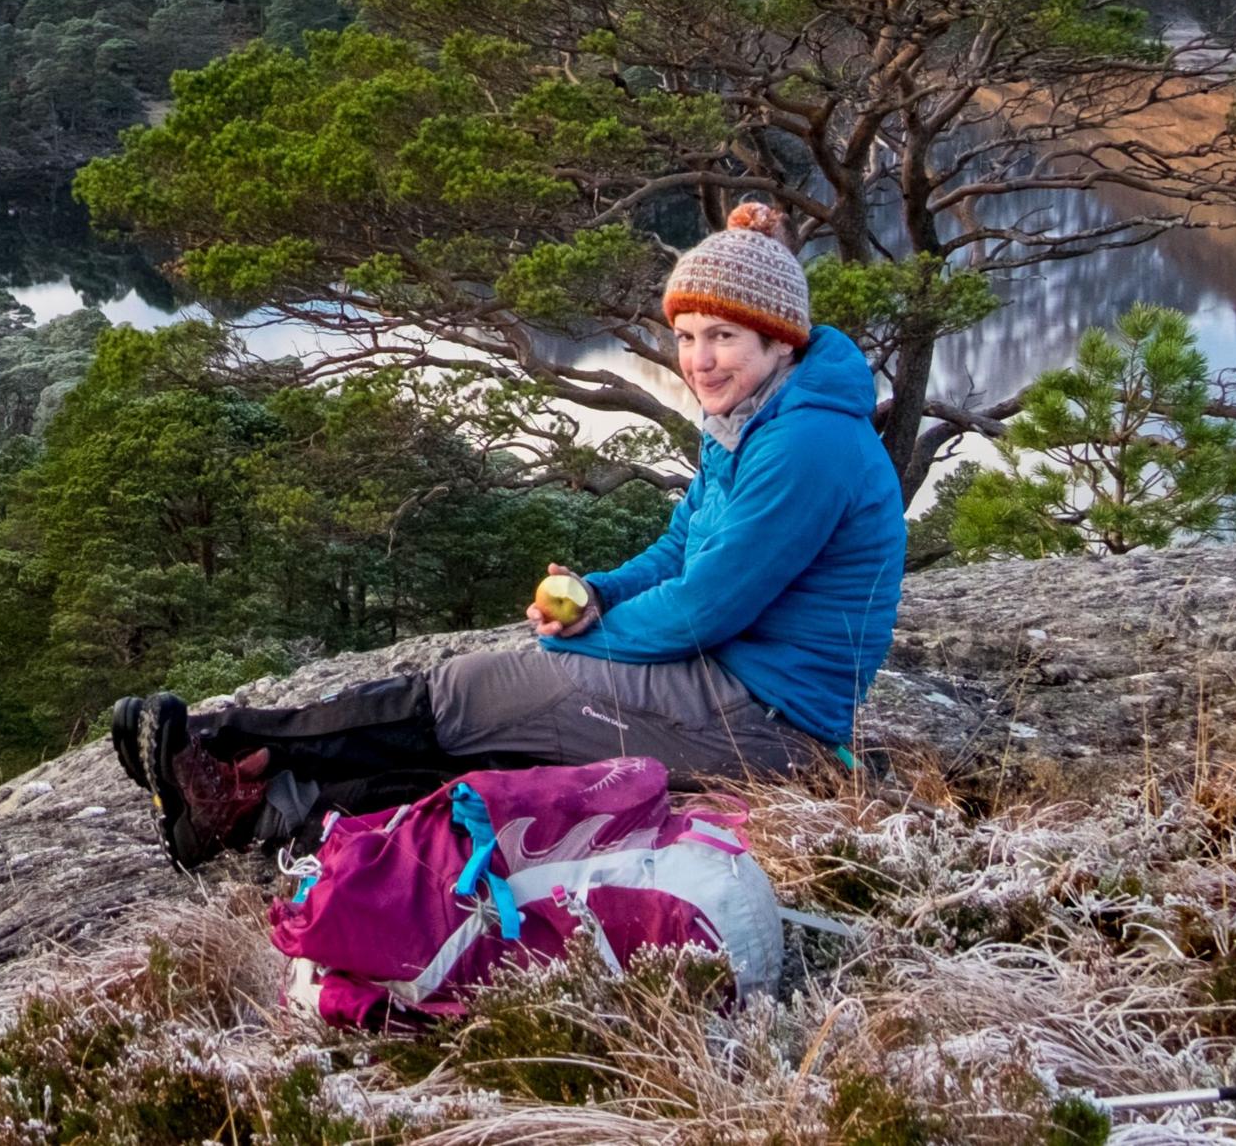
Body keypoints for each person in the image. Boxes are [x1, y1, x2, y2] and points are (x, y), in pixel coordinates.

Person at [107, 202, 907, 863]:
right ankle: (253, 805)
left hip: (764, 720)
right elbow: (678, 548)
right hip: (726, 685)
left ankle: (216, 748)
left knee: (478, 692)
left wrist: (577, 643)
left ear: (780, 341)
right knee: (496, 736)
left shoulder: (807, 444)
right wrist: (595, 596)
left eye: (722, 337)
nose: (698, 359)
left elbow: (706, 606)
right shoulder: (750, 420)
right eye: (688, 334)